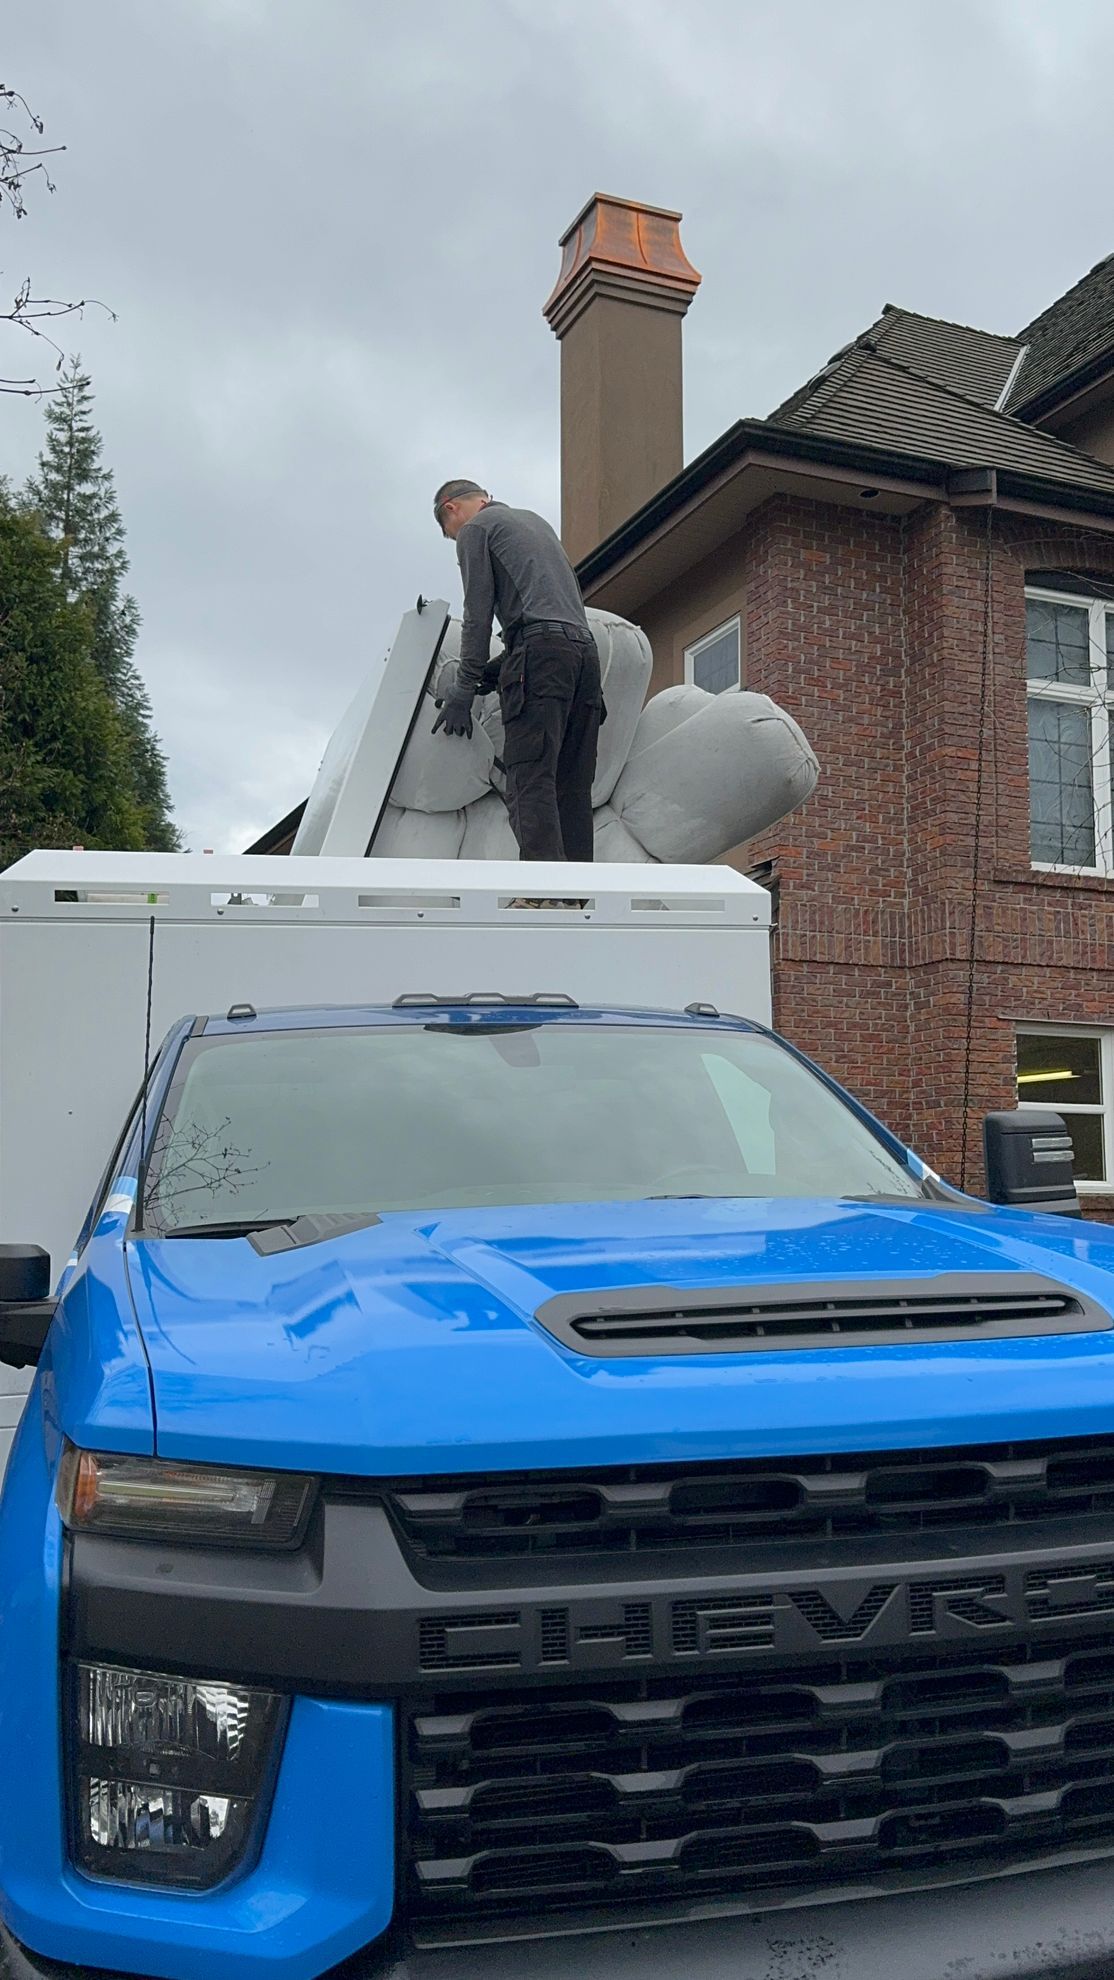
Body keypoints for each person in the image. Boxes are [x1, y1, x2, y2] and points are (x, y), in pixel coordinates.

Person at [432, 479, 602, 863]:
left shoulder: (476, 529)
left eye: (448, 534)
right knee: (572, 785)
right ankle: (576, 897)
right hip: (584, 656)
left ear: (451, 508)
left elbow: (477, 615)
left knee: (529, 777)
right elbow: (550, 615)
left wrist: (463, 687)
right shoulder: (535, 523)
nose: (453, 539)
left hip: (541, 654)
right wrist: (498, 671)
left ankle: (542, 894)